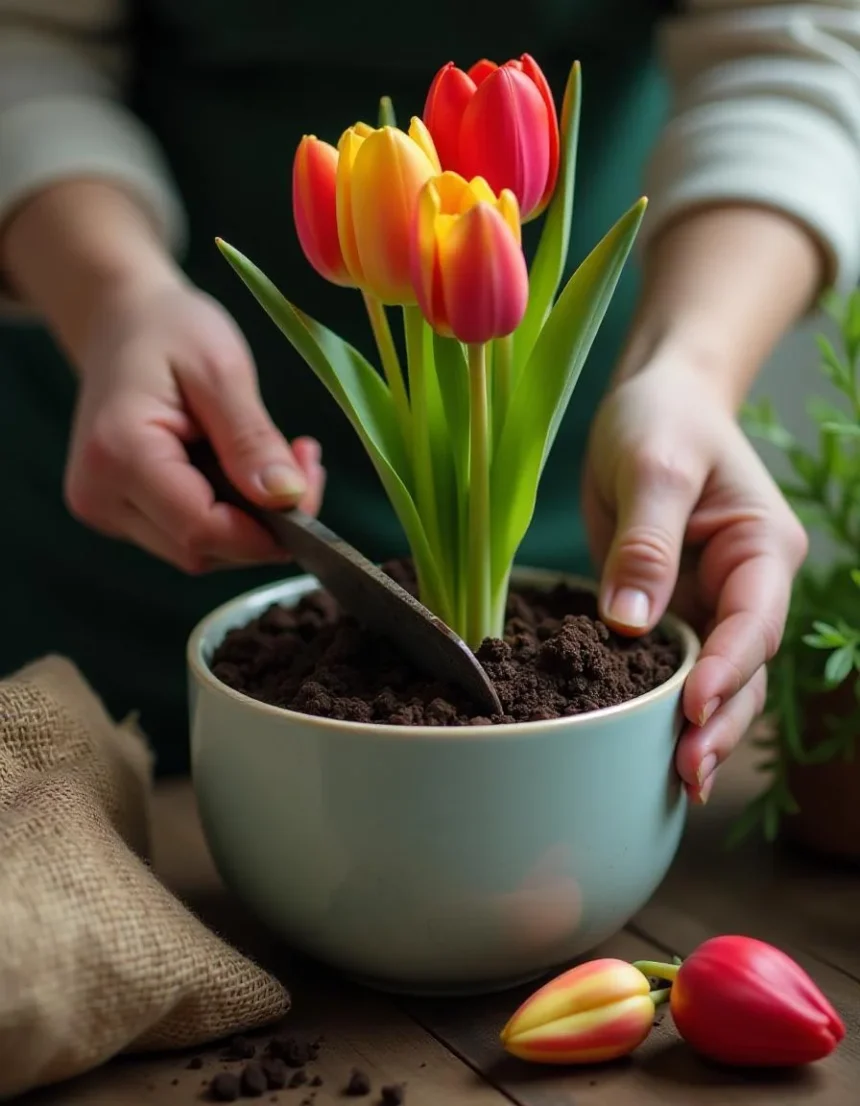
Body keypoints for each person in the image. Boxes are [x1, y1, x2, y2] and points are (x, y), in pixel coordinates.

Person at [0, 1, 856, 791]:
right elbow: (26, 36)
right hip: (134, 528)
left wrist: (689, 372)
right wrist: (113, 297)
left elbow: (794, 44)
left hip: (578, 533)